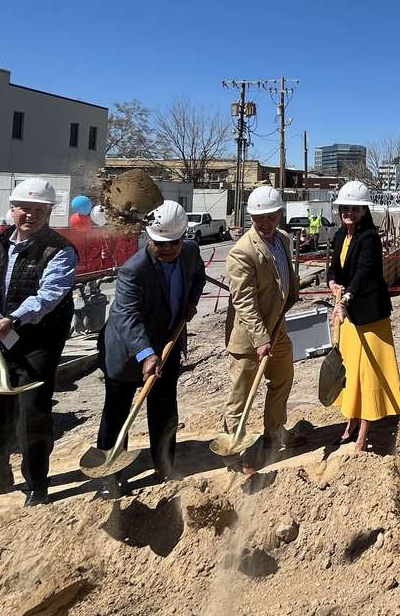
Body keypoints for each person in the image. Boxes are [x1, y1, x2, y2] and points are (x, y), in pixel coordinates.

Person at [0, 178, 78, 509]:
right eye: (25, 208)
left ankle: (37, 483)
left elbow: (50, 295)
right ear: (13, 209)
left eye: (40, 210)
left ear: (50, 212)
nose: (31, 216)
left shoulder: (59, 250)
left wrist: (16, 317)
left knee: (32, 415)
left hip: (37, 342)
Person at [94, 201, 206, 497]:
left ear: (184, 237)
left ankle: (165, 465)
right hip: (128, 351)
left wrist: (192, 302)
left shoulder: (190, 252)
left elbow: (198, 275)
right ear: (148, 237)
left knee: (165, 408)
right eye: (160, 244)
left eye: (174, 243)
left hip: (168, 342)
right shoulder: (134, 270)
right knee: (117, 414)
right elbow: (126, 316)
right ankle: (110, 477)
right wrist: (146, 354)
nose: (167, 249)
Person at [224, 184, 300, 465]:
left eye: (270, 216)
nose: (265, 222)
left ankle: (275, 433)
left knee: (282, 379)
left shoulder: (282, 239)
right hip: (249, 338)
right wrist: (260, 339)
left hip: (277, 330)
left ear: (279, 214)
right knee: (241, 394)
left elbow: (284, 277)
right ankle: (234, 453)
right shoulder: (241, 252)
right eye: (259, 217)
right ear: (250, 217)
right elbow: (244, 302)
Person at [328, 180, 400, 450]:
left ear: (364, 211)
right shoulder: (340, 236)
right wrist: (332, 283)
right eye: (344, 208)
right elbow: (334, 267)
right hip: (349, 317)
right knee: (350, 370)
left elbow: (363, 273)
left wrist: (346, 298)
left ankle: (364, 430)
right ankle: (350, 420)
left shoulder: (369, 238)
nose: (348, 212)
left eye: (354, 208)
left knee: (368, 373)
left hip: (370, 317)